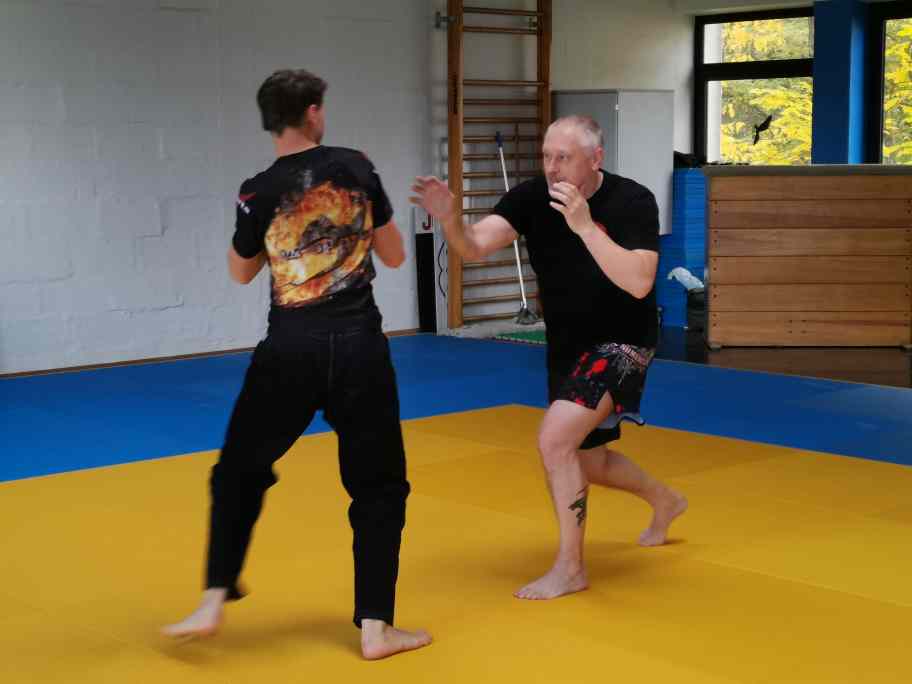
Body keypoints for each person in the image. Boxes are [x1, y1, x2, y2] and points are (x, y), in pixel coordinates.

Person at [163, 69, 432, 659]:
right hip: (360, 350)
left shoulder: (256, 190)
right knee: (378, 486)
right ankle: (376, 627)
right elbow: (393, 255)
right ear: (312, 112)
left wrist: (274, 240)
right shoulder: (357, 167)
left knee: (239, 469)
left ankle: (213, 597)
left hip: (288, 351)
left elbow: (240, 272)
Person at [410, 115, 687, 600]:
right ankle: (664, 499)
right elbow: (474, 245)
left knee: (555, 442)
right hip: (567, 345)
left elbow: (640, 282)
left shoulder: (632, 200)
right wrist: (451, 219)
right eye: (546, 156)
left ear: (595, 159)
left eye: (564, 157)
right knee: (589, 460)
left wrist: (584, 226)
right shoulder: (531, 198)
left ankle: (571, 568)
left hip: (623, 342)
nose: (553, 167)